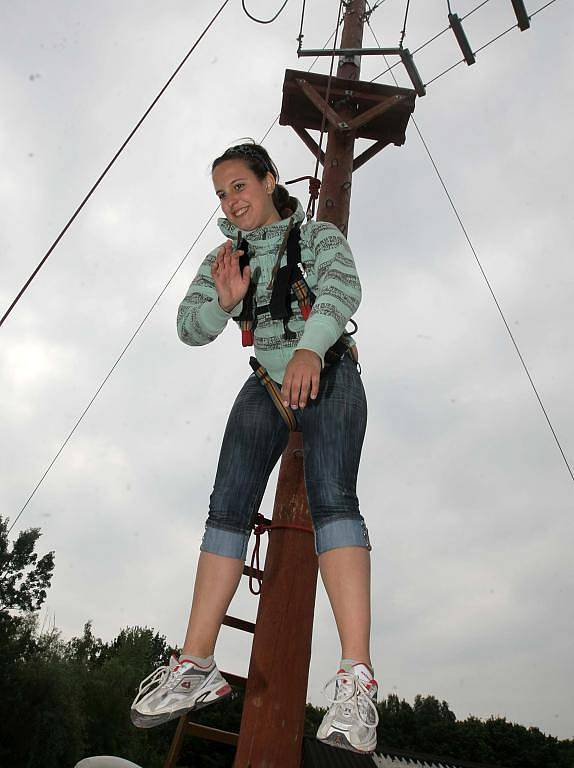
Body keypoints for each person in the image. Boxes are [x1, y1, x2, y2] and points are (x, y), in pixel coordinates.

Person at [130, 142, 379, 753]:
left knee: (332, 498)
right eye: (221, 193)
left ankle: (357, 683)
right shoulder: (223, 259)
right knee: (226, 504)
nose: (231, 201)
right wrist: (223, 303)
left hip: (326, 370)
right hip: (267, 380)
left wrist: (309, 346)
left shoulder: (316, 237)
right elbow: (188, 329)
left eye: (239, 185)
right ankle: (195, 664)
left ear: (270, 181)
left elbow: (344, 290)